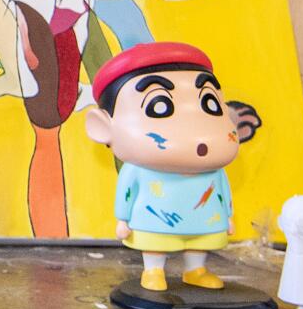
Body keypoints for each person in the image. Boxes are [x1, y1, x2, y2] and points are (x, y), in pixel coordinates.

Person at [84, 42, 240, 293]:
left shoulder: (214, 171)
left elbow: (222, 189)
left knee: (200, 242)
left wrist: (228, 214)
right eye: (160, 106)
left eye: (210, 102)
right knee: (155, 242)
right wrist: (123, 219)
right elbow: (127, 191)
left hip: (206, 218)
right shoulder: (138, 169)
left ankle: (195, 269)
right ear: (102, 127)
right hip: (153, 219)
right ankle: (153, 270)